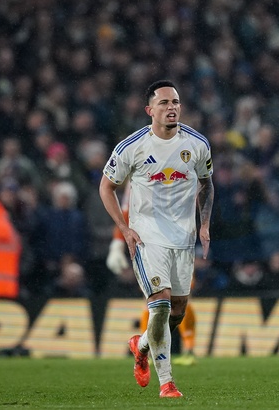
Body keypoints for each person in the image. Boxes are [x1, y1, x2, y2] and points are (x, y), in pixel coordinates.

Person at [99, 80, 214, 398]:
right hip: (147, 237)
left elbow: (207, 183)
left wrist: (204, 224)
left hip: (183, 239)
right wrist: (124, 230)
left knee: (176, 312)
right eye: (163, 103)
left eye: (175, 102)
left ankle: (141, 345)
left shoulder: (197, 144)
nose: (171, 107)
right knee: (160, 305)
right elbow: (106, 187)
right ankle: (167, 383)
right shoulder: (132, 147)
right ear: (150, 110)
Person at [107, 185, 198, 366]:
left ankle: (187, 349)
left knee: (182, 298)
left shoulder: (177, 173)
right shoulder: (138, 179)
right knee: (153, 300)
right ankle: (147, 352)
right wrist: (117, 244)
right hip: (151, 245)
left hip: (179, 242)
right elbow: (126, 211)